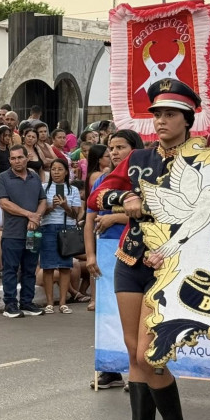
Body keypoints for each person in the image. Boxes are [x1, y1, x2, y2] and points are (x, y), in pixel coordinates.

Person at [89, 80, 197, 420]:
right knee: (133, 351)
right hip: (129, 261)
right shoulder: (138, 158)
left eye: (170, 114)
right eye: (157, 114)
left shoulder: (203, 162)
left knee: (148, 356)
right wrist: (124, 197)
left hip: (170, 268)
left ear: (187, 119)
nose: (161, 120)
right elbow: (97, 196)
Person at [84, 128, 142, 388]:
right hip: (106, 250)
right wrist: (90, 255)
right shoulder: (102, 182)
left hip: (136, 249)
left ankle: (136, 371)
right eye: (112, 148)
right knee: (108, 313)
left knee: (134, 315)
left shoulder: (145, 179)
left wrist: (116, 217)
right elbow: (89, 219)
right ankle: (110, 369)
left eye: (121, 148)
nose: (115, 153)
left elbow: (152, 214)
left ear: (135, 150)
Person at [0, 144, 46, 318]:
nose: (16, 161)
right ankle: (10, 304)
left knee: (30, 269)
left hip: (33, 232)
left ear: (27, 158)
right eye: (13, 158)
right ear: (9, 160)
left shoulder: (34, 177)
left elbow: (43, 200)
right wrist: (29, 215)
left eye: (20, 157)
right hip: (13, 233)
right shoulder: (3, 178)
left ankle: (27, 302)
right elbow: (4, 203)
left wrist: (36, 217)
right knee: (10, 269)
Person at [38, 158, 81, 314]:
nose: (56, 172)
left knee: (65, 266)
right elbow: (40, 212)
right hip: (48, 227)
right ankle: (50, 302)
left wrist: (65, 206)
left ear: (66, 172)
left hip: (66, 228)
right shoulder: (43, 188)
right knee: (48, 266)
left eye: (60, 169)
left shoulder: (73, 190)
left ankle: (63, 302)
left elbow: (75, 214)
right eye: (53, 169)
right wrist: (52, 206)